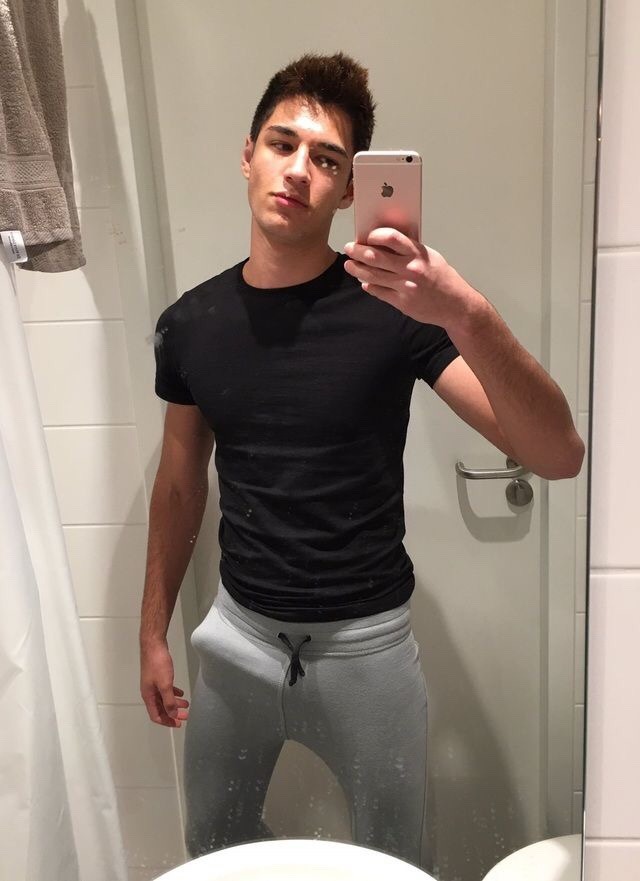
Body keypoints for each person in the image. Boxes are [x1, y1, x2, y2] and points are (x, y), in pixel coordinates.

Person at [139, 52, 584, 866]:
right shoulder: (189, 324)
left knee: (397, 861)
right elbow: (177, 487)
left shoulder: (395, 310)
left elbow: (558, 454)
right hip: (237, 636)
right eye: (283, 144)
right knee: (213, 848)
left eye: (326, 159)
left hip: (366, 647)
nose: (297, 170)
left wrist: (463, 311)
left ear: (349, 190)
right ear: (248, 154)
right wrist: (153, 631)